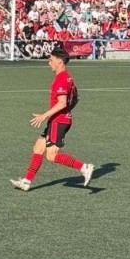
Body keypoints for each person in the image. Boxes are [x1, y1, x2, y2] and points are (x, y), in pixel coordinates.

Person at [10, 49, 95, 191]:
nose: (49, 63)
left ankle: (84, 167)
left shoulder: (61, 78)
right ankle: (26, 181)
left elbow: (62, 103)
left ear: (59, 61)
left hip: (59, 121)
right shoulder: (68, 77)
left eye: (51, 60)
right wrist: (67, 111)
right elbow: (75, 99)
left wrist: (44, 115)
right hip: (59, 119)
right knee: (38, 147)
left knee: (51, 155)